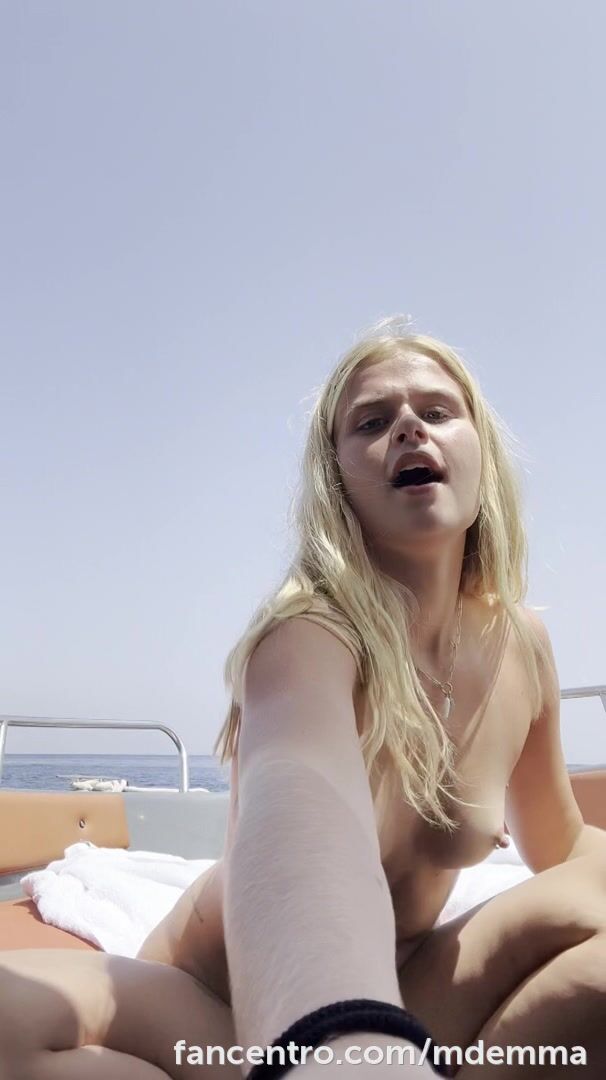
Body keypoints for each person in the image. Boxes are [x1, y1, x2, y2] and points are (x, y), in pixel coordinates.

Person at [2, 316, 605, 1078]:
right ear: (336, 477)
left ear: (481, 452)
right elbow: (301, 820)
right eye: (372, 422)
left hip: (410, 989)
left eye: (437, 410)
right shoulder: (308, 638)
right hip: (215, 1002)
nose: (410, 427)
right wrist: (337, 1043)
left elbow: (564, 848)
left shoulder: (523, 648)